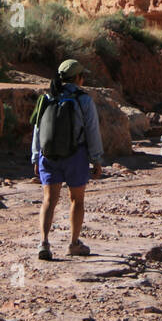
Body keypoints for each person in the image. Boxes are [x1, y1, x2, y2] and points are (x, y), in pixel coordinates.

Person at [31, 59, 104, 260]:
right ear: (78, 78)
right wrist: (96, 159)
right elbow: (92, 131)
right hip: (76, 156)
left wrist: (36, 157)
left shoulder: (47, 97)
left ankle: (44, 243)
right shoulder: (84, 99)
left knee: (49, 200)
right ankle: (73, 244)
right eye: (83, 76)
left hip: (49, 156)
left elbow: (37, 130)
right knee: (77, 199)